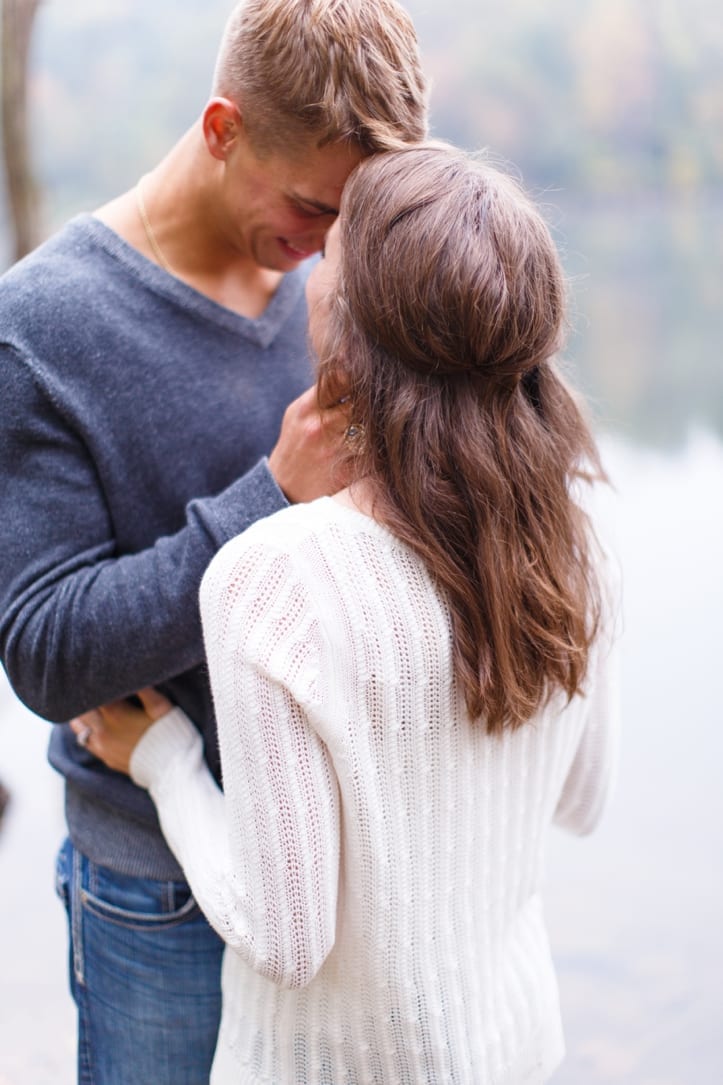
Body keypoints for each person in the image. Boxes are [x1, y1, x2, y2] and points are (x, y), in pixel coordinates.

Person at [76, 144, 621, 1084]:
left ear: (354, 330)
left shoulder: (275, 577)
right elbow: (581, 798)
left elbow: (284, 939)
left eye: (334, 256)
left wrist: (163, 761)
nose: (309, 270)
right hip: (510, 1047)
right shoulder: (575, 525)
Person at [0, 2, 428, 1081]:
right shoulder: (40, 326)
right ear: (223, 125)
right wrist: (270, 494)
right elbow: (47, 652)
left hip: (345, 867)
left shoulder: (329, 281)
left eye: (351, 216)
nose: (329, 245)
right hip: (161, 900)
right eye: (308, 206)